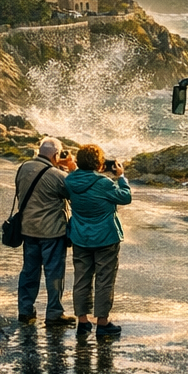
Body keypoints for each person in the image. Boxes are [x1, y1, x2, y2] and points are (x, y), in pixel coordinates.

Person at [64, 144, 131, 340]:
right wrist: (121, 177)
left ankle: (82, 322)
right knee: (104, 281)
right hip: (105, 238)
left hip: (80, 237)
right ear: (99, 163)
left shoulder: (70, 181)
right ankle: (102, 323)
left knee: (81, 280)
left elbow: (73, 190)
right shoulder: (104, 183)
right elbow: (126, 198)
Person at [14, 137, 74, 327]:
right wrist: (70, 169)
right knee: (54, 274)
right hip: (52, 232)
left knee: (29, 272)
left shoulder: (24, 167)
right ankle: (54, 312)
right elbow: (72, 192)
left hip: (28, 228)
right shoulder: (56, 175)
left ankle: (25, 310)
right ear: (56, 155)